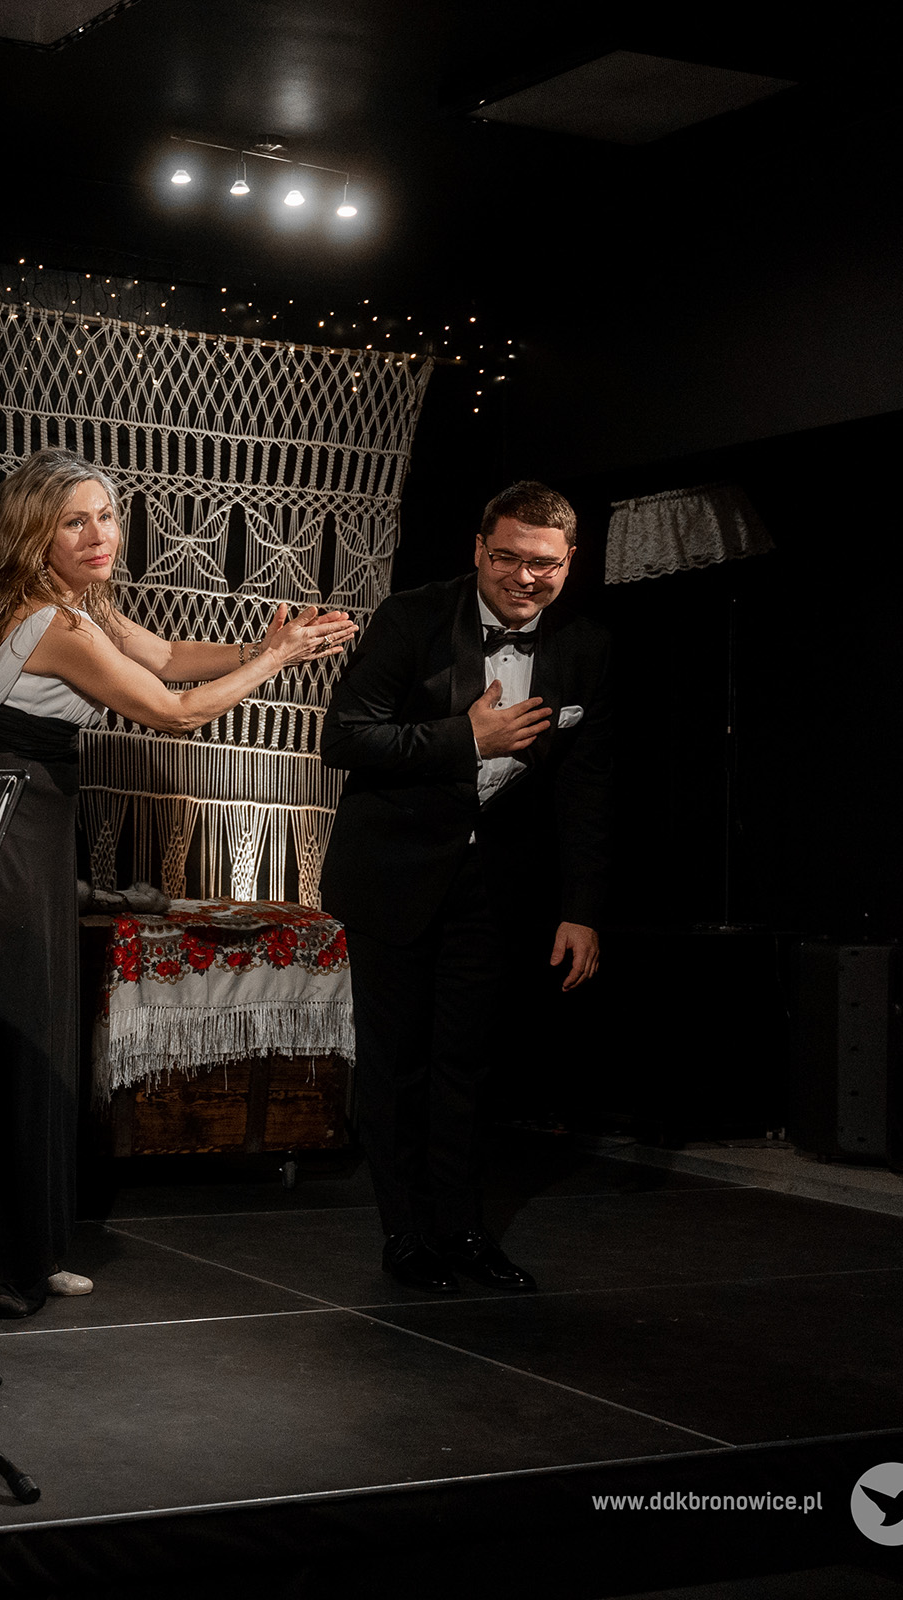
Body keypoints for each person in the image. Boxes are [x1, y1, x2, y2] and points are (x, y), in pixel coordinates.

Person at [0, 446, 356, 1319]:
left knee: (41, 1035)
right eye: (73, 522)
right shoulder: (54, 625)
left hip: (33, 816)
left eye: (106, 516)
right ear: (34, 535)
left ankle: (28, 1245)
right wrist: (277, 662)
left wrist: (262, 644)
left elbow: (163, 654)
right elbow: (175, 711)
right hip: (6, 829)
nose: (99, 535)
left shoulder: (79, 605)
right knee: (11, 1042)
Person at [319, 480, 612, 1295]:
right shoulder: (413, 618)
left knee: (469, 1067)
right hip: (395, 876)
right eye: (508, 558)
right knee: (397, 1065)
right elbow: (344, 738)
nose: (525, 577)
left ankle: (464, 1228)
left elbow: (587, 785)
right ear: (479, 551)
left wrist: (582, 909)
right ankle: (407, 1233)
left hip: (497, 885)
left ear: (570, 562)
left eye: (544, 564)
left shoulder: (585, 643)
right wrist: (465, 738)